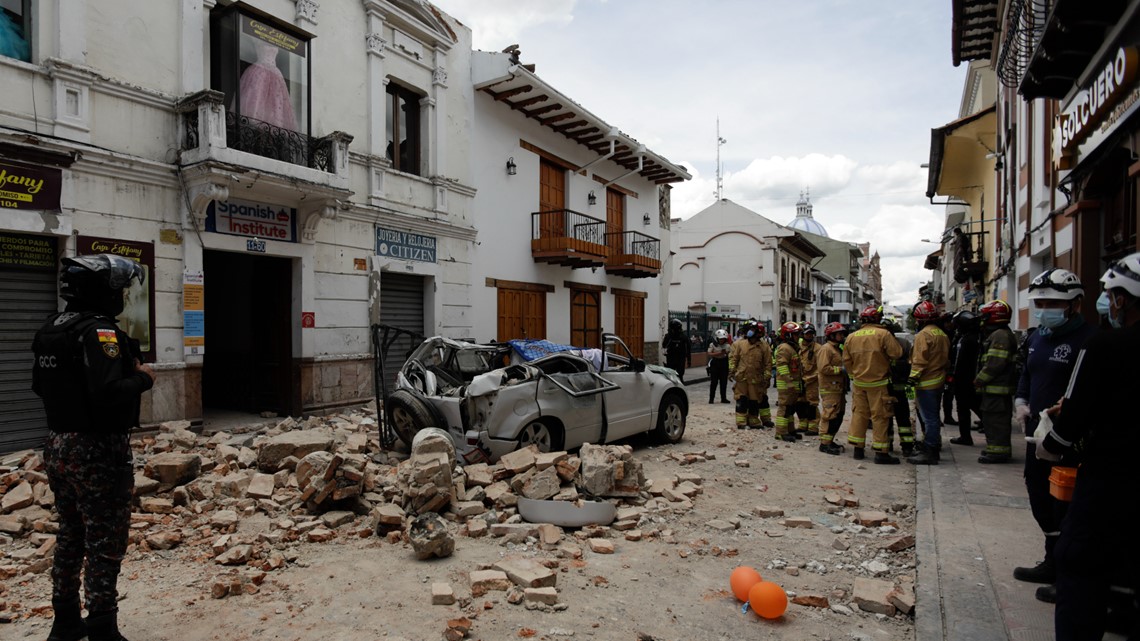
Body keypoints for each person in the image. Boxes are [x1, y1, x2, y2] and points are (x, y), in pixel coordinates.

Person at [32, 254, 154, 641]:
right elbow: (108, 393)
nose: (121, 296)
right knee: (105, 539)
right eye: (118, 289)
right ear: (103, 291)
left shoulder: (53, 327)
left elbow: (39, 386)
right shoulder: (99, 332)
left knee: (71, 532)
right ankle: (103, 626)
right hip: (97, 449)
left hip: (57, 444)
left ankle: (65, 620)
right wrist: (143, 379)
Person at [1038, 253, 1140, 640]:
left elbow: (1076, 411)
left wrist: (1052, 442)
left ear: (1121, 299)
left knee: (1080, 561)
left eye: (1112, 295)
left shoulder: (1104, 345)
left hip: (1111, 475)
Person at [1008, 268, 1095, 604]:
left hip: (1072, 439)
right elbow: (1026, 376)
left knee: (1067, 503)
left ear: (1073, 305)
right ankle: (1051, 558)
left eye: (1051, 303)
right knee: (1039, 494)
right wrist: (1021, 401)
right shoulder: (1036, 338)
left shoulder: (1087, 341)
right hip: (1037, 437)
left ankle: (1067, 572)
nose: (1044, 308)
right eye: (1040, 302)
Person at [844, 305, 904, 464]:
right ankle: (881, 453)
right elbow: (897, 353)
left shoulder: (852, 337)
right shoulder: (883, 334)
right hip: (879, 383)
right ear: (877, 318)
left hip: (859, 383)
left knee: (859, 415)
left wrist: (853, 375)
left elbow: (846, 360)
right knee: (880, 417)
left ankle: (858, 449)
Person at [973, 299, 1017, 463]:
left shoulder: (1000, 335)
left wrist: (979, 380)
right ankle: (995, 449)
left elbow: (994, 364)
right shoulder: (1001, 334)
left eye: (985, 316)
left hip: (997, 388)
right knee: (992, 421)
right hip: (995, 389)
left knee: (997, 421)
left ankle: (999, 452)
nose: (982, 319)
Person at [906, 301, 950, 465]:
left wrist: (911, 380)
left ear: (920, 319)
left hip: (926, 383)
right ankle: (932, 445)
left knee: (929, 418)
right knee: (933, 416)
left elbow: (919, 361)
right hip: (938, 380)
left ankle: (930, 451)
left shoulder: (923, 335)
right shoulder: (941, 333)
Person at [882, 317, 917, 456]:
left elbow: (911, 365)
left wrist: (910, 392)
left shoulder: (902, 344)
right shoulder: (903, 344)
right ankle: (901, 446)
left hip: (894, 389)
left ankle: (904, 446)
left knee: (897, 419)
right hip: (892, 389)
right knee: (892, 419)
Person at [948, 309, 983, 444]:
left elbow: (962, 361)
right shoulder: (971, 337)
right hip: (966, 379)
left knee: (965, 407)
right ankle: (966, 435)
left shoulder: (969, 339)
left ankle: (966, 436)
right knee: (969, 406)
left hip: (965, 379)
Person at [728, 321, 771, 429]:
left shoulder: (764, 347)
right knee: (741, 400)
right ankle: (741, 423)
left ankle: (754, 422)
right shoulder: (741, 344)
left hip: (756, 379)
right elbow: (734, 359)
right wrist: (731, 371)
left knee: (754, 400)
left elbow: (768, 363)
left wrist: (767, 377)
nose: (750, 332)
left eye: (753, 330)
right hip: (742, 377)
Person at [774, 321, 811, 443]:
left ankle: (790, 430)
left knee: (790, 409)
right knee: (784, 409)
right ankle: (780, 432)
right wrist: (789, 382)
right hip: (786, 385)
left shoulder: (793, 348)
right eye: (795, 334)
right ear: (788, 335)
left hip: (793, 385)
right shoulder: (784, 348)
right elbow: (782, 366)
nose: (798, 337)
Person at [817, 321, 848, 455]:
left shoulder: (837, 349)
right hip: (830, 388)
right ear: (831, 335)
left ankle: (830, 440)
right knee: (829, 415)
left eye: (842, 334)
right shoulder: (826, 349)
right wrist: (840, 370)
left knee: (838, 415)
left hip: (838, 388)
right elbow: (824, 368)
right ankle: (824, 444)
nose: (842, 336)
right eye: (839, 334)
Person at [798, 322, 821, 437]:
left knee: (812, 404)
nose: (809, 336)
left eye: (811, 334)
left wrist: (809, 378)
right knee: (800, 403)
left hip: (812, 381)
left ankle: (813, 426)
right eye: (807, 334)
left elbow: (820, 368)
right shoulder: (798, 347)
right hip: (799, 381)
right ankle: (803, 424)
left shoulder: (818, 349)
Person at [661, 318, 692, 383]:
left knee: (679, 374)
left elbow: (688, 348)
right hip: (672, 358)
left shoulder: (683, 336)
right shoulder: (669, 336)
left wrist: (689, 360)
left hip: (679, 358)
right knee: (671, 374)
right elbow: (664, 345)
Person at [707, 329, 732, 404]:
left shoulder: (727, 346)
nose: (722, 341)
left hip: (724, 363)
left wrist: (726, 354)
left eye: (723, 339)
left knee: (723, 382)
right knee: (714, 382)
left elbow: (730, 355)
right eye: (720, 339)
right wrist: (719, 353)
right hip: (715, 363)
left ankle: (723, 398)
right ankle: (711, 399)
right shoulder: (712, 345)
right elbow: (709, 353)